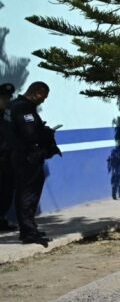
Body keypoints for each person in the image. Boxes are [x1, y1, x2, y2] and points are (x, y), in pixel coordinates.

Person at [9, 81, 61, 246]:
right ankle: (28, 233)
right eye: (43, 97)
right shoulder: (23, 108)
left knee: (28, 195)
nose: (43, 101)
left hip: (24, 157)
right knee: (27, 195)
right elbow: (30, 134)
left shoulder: (19, 106)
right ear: (36, 91)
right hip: (26, 159)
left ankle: (30, 229)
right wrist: (46, 134)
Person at [0, 82, 16, 231]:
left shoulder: (8, 116)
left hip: (7, 159)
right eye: (3, 98)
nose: (6, 101)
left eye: (8, 98)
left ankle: (2, 219)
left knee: (6, 191)